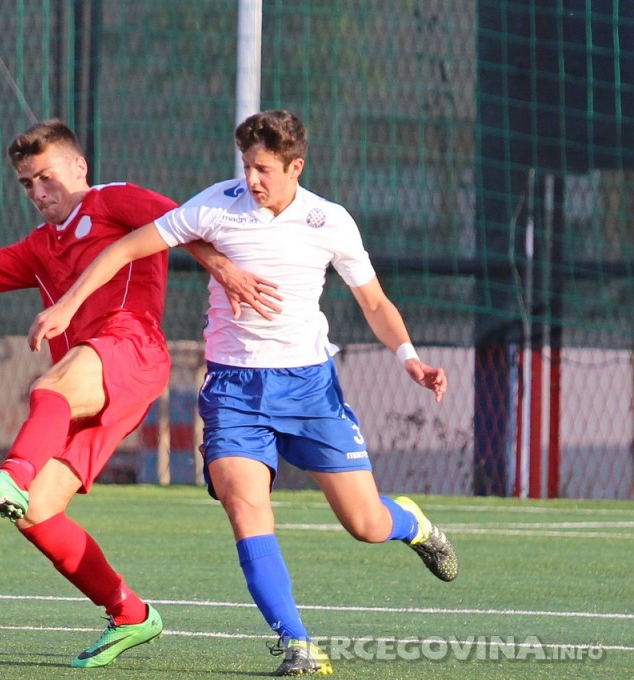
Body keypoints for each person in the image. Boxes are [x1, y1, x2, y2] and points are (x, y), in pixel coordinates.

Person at [28, 109, 459, 676]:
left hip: (309, 387)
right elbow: (124, 250)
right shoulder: (216, 204)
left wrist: (410, 359)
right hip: (232, 389)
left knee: (366, 524)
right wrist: (65, 305)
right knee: (245, 506)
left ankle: (414, 525)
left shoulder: (329, 221)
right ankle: (298, 644)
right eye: (246, 166)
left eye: (263, 169)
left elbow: (375, 304)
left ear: (295, 167)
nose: (251, 179)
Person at [0, 118, 274, 668]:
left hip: (131, 349)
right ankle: (129, 612)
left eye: (46, 177)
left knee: (50, 385)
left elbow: (187, 225)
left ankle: (10, 475)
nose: (39, 192)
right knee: (38, 513)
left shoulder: (113, 201)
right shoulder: (40, 246)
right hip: (92, 384)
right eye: (27, 184)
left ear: (78, 168)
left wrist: (226, 269)